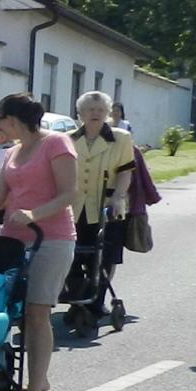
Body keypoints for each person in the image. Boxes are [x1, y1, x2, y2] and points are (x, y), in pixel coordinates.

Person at [0, 94, 80, 391]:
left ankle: (34, 389)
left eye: (1, 121)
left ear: (13, 120)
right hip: (13, 239)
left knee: (37, 312)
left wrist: (34, 214)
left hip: (52, 238)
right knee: (9, 311)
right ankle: (28, 376)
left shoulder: (56, 143)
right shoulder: (12, 152)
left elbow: (69, 192)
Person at [70, 91, 135, 304]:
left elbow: (125, 171)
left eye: (100, 110)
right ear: (80, 113)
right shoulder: (68, 138)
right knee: (72, 255)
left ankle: (97, 302)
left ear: (108, 113)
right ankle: (78, 297)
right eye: (90, 109)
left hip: (106, 207)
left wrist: (118, 196)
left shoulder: (120, 138)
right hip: (74, 208)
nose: (95, 113)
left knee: (104, 256)